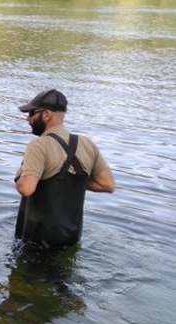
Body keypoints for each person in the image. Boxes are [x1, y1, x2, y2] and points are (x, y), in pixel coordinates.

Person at [14, 89, 116, 249]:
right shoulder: (87, 144)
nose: (28, 118)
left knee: (24, 274)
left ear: (46, 114)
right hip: (71, 239)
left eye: (32, 112)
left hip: (36, 242)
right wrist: (77, 178)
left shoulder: (39, 145)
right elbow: (108, 185)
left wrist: (20, 173)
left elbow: (26, 188)